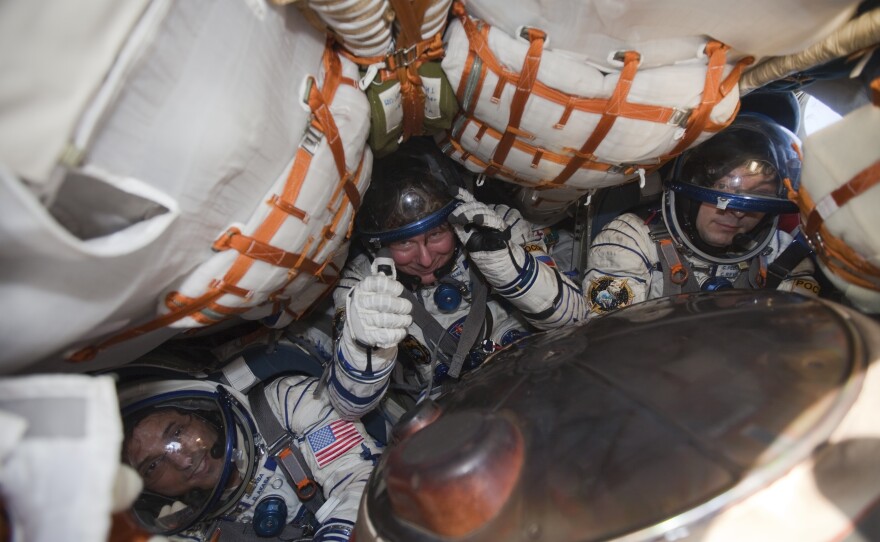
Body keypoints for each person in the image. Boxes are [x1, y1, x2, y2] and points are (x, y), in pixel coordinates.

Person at [324, 139, 588, 422]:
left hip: (537, 373)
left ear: (455, 221)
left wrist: (506, 266)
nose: (425, 259)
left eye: (436, 234)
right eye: (404, 243)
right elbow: (348, 408)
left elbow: (577, 321)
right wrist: (364, 348)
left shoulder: (497, 226)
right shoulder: (362, 285)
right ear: (379, 247)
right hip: (452, 411)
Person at [116, 339, 383, 541]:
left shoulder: (287, 406)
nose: (183, 460)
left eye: (176, 433)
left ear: (200, 414)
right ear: (147, 491)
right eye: (153, 466)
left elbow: (360, 478)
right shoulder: (186, 531)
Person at [583, 113, 820, 315]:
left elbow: (794, 331)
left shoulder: (782, 253)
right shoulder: (630, 240)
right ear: (689, 196)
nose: (738, 212)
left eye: (759, 195)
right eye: (722, 189)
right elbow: (611, 336)